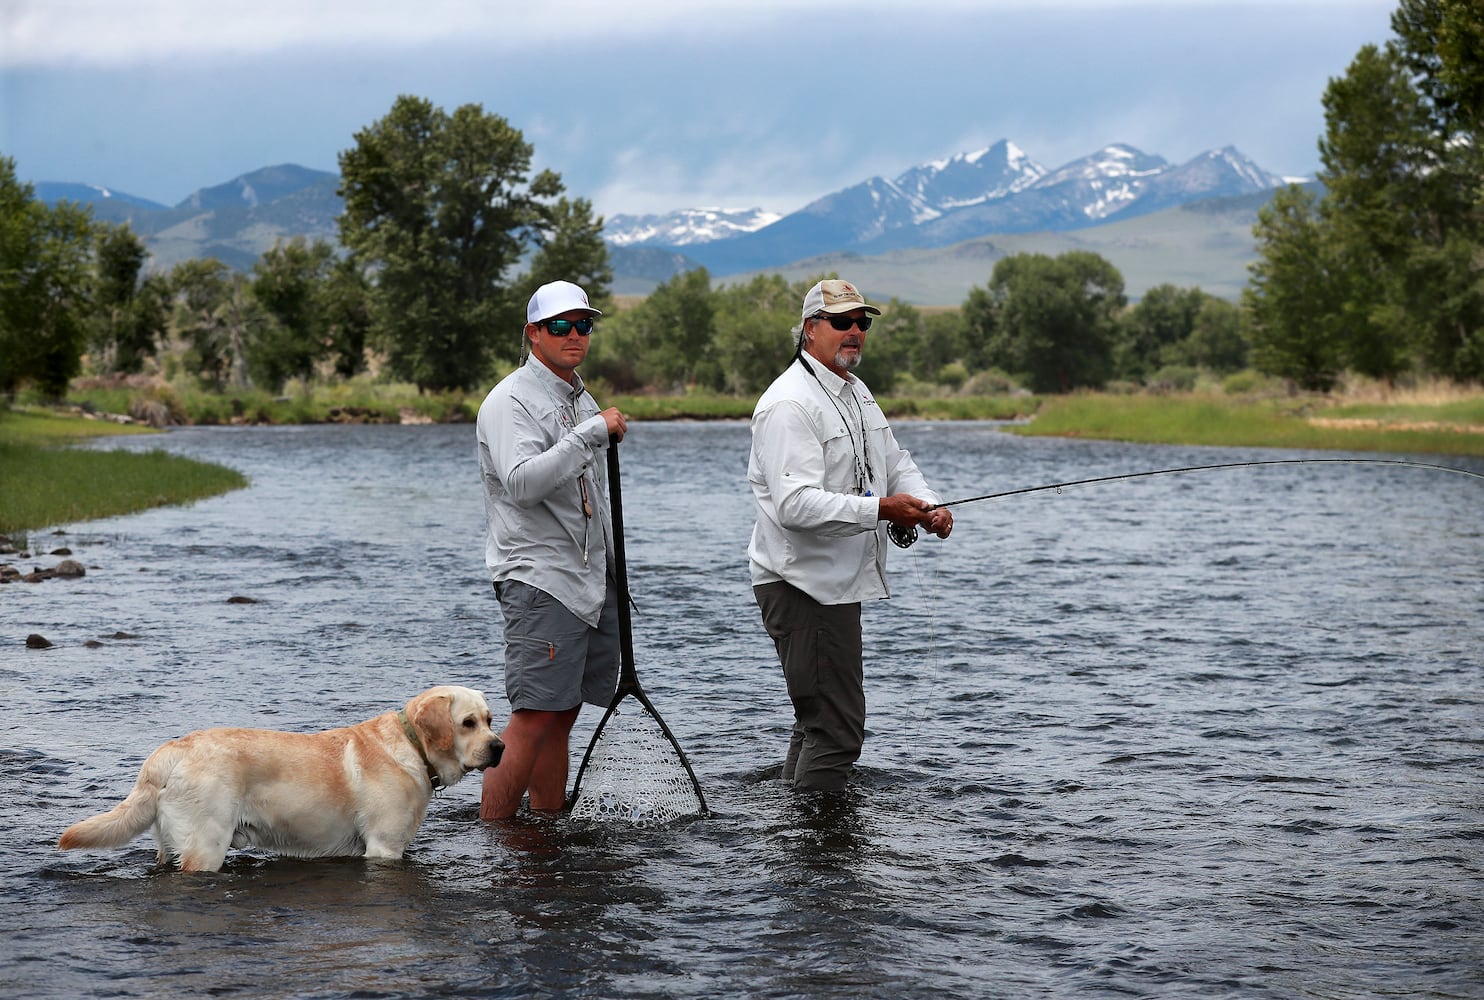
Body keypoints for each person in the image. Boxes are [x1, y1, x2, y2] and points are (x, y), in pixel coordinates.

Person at [748, 278, 953, 792]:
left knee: (817, 721)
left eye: (863, 322)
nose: (856, 332)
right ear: (810, 329)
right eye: (842, 322)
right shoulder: (789, 403)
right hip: (803, 586)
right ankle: (822, 854)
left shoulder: (855, 391)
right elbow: (794, 505)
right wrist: (884, 508)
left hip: (834, 585)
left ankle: (797, 837)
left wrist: (925, 506)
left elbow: (894, 462)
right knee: (838, 732)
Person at [476, 279, 628, 820]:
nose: (574, 335)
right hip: (540, 579)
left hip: (585, 578)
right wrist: (591, 435)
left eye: (583, 324)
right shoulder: (511, 400)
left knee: (561, 714)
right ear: (533, 333)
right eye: (560, 326)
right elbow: (521, 483)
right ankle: (493, 836)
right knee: (536, 715)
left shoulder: (577, 395)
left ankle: (544, 826)